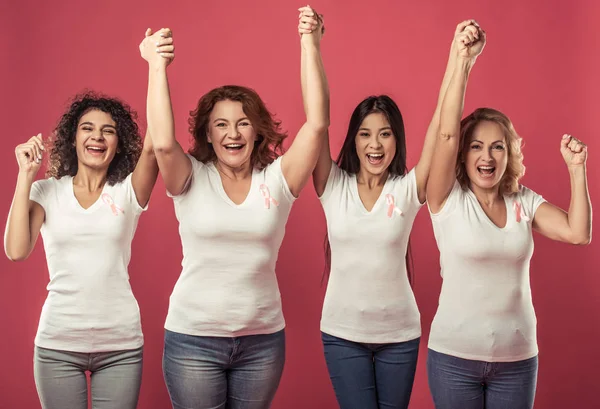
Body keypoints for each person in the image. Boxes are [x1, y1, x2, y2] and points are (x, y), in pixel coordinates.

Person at [138, 6, 329, 409]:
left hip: (262, 343)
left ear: (257, 131)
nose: (233, 133)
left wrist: (309, 43)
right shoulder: (190, 177)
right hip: (193, 339)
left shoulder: (277, 180)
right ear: (208, 132)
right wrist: (157, 65)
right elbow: (161, 144)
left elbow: (316, 125)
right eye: (221, 124)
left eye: (243, 122)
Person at [311, 19, 483, 409]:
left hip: (400, 336)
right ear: (353, 139)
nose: (375, 144)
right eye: (365, 134)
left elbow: (443, 127)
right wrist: (314, 47)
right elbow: (318, 117)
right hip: (341, 334)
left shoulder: (407, 189)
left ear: (396, 139)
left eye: (385, 133)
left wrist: (460, 60)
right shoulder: (332, 185)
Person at [426, 22, 592, 409]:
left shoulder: (523, 201)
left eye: (498, 147)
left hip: (517, 361)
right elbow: (446, 134)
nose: (487, 157)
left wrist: (577, 168)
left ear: (509, 154)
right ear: (464, 155)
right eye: (477, 147)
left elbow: (578, 232)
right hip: (454, 358)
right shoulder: (446, 197)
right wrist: (463, 60)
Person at [4, 92, 159, 409]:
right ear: (72, 139)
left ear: (118, 143)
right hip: (57, 344)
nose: (97, 136)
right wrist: (25, 175)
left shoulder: (128, 190)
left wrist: (157, 65)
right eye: (87, 128)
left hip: (121, 346)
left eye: (109, 130)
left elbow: (157, 142)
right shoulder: (46, 191)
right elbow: (16, 250)